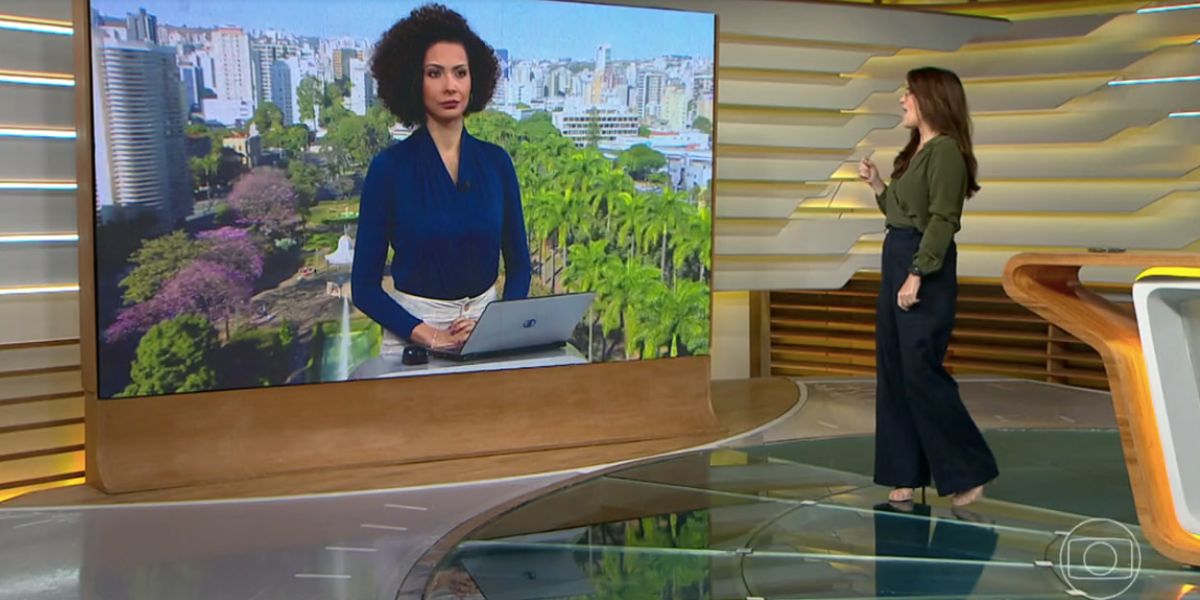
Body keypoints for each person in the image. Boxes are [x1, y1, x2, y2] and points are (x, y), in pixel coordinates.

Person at [352, 4, 531, 353]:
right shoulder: (388, 170)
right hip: (414, 336)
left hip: (488, 332)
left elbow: (520, 266)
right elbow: (364, 288)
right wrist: (431, 335)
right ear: (411, 80)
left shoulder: (497, 164)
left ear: (474, 79)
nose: (451, 86)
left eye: (460, 73)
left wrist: (494, 324)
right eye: (435, 73)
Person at [857, 66, 998, 507]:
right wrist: (878, 184)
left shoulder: (947, 153)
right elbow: (902, 211)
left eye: (909, 94)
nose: (902, 101)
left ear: (931, 99)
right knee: (895, 370)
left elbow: (942, 221)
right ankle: (905, 471)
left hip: (922, 263)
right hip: (897, 252)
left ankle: (969, 471)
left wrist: (918, 272)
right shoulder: (918, 150)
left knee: (921, 370)